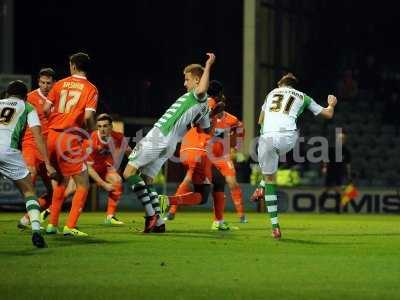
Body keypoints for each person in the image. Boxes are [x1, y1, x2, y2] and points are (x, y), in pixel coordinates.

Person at [123, 53, 216, 233]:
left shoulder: (197, 96)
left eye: (187, 79)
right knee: (147, 180)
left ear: (197, 80)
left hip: (159, 135)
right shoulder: (204, 107)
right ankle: (159, 224)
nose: (184, 83)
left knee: (129, 172)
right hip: (171, 144)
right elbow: (205, 129)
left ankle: (151, 216)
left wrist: (208, 65)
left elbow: (203, 89)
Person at [257, 73, 337, 239]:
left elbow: (260, 121)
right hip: (288, 138)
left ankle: (274, 226)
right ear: (293, 86)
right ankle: (261, 185)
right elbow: (328, 114)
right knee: (283, 146)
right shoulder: (303, 96)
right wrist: (331, 104)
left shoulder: (271, 93)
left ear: (280, 83)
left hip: (267, 138)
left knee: (270, 174)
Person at [43, 52, 98, 236]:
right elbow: (89, 116)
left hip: (51, 136)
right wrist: (90, 132)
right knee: (83, 184)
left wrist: (55, 122)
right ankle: (71, 226)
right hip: (70, 137)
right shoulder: (90, 89)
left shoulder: (59, 84)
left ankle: (52, 225)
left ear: (73, 66)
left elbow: (45, 109)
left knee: (60, 181)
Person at [0, 80, 57, 247]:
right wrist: (47, 162)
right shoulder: (27, 107)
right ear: (25, 96)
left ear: (7, 94)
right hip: (8, 151)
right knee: (29, 192)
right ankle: (36, 232)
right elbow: (38, 136)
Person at [18, 68, 56, 229]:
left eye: (48, 83)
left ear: (53, 83)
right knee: (30, 176)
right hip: (31, 143)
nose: (45, 86)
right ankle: (34, 221)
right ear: (38, 82)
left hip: (49, 149)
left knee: (56, 192)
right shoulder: (30, 98)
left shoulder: (58, 98)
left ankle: (27, 218)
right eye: (42, 82)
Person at [208, 81, 247, 223]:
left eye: (220, 103)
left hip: (223, 156)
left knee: (232, 182)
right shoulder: (208, 118)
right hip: (207, 156)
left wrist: (236, 148)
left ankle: (241, 215)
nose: (217, 106)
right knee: (194, 182)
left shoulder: (232, 119)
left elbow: (241, 131)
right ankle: (172, 211)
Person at [85, 113, 132, 224]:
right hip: (86, 169)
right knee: (69, 190)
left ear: (111, 127)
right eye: (99, 126)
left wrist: (138, 166)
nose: (102, 129)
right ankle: (49, 211)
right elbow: (88, 167)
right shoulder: (91, 139)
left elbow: (130, 153)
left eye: (105, 126)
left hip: (103, 169)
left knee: (117, 180)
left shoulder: (118, 137)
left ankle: (110, 217)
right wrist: (103, 184)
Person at [321, 132, 351, 197]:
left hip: (339, 172)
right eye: (340, 138)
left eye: (343, 139)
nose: (341, 140)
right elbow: (325, 160)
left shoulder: (346, 151)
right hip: (330, 171)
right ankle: (321, 204)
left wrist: (348, 174)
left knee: (338, 189)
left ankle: (338, 206)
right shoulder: (331, 149)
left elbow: (348, 164)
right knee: (327, 189)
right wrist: (324, 168)